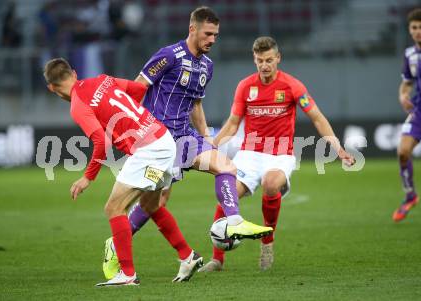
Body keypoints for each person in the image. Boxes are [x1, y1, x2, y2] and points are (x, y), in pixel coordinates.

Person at [102, 6, 273, 279]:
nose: (212, 40)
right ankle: (116, 244)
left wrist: (205, 136)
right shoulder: (168, 56)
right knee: (152, 203)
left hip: (186, 137)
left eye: (216, 35)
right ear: (192, 29)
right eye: (208, 34)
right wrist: (130, 129)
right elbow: (136, 88)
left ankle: (234, 221)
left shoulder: (207, 66)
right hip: (158, 141)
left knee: (225, 166)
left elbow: (195, 102)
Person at [198, 36, 355, 272]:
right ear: (254, 59)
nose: (264, 65)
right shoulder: (245, 86)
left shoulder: (292, 86)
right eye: (260, 60)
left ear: (278, 58)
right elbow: (232, 124)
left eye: (269, 60)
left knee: (271, 184)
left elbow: (317, 117)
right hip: (249, 153)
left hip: (280, 154)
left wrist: (337, 148)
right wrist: (211, 146)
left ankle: (267, 242)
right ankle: (217, 259)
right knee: (227, 192)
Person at [44, 58, 204, 286]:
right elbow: (138, 89)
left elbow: (101, 141)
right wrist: (132, 120)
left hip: (148, 150)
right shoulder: (103, 80)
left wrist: (87, 177)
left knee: (113, 207)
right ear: (75, 73)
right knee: (150, 206)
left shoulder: (78, 105)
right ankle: (188, 256)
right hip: (163, 140)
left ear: (52, 88)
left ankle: (127, 274)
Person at [393, 8, 421, 222]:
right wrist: (403, 95)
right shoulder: (409, 54)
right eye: (414, 27)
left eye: (420, 27)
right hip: (418, 111)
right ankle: (410, 195)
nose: (418, 31)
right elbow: (407, 83)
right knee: (403, 152)